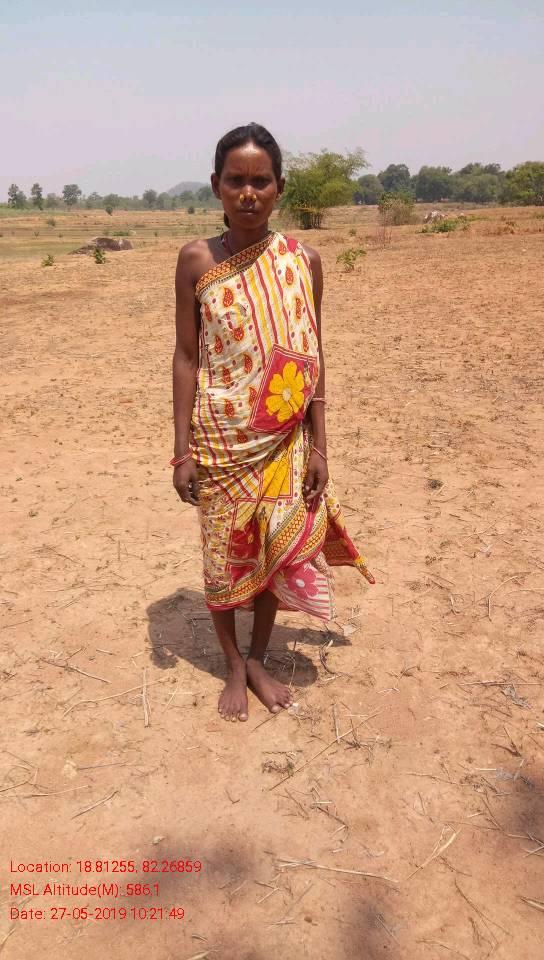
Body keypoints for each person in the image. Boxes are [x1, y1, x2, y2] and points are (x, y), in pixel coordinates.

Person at [172, 123, 374, 723]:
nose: (248, 193)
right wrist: (181, 451)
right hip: (220, 440)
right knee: (222, 555)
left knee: (270, 553)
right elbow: (186, 357)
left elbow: (313, 352)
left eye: (261, 181)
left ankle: (258, 658)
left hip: (285, 441)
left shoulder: (304, 261)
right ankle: (233, 664)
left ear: (279, 188)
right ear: (216, 184)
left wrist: (321, 446)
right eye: (236, 180)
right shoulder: (196, 260)